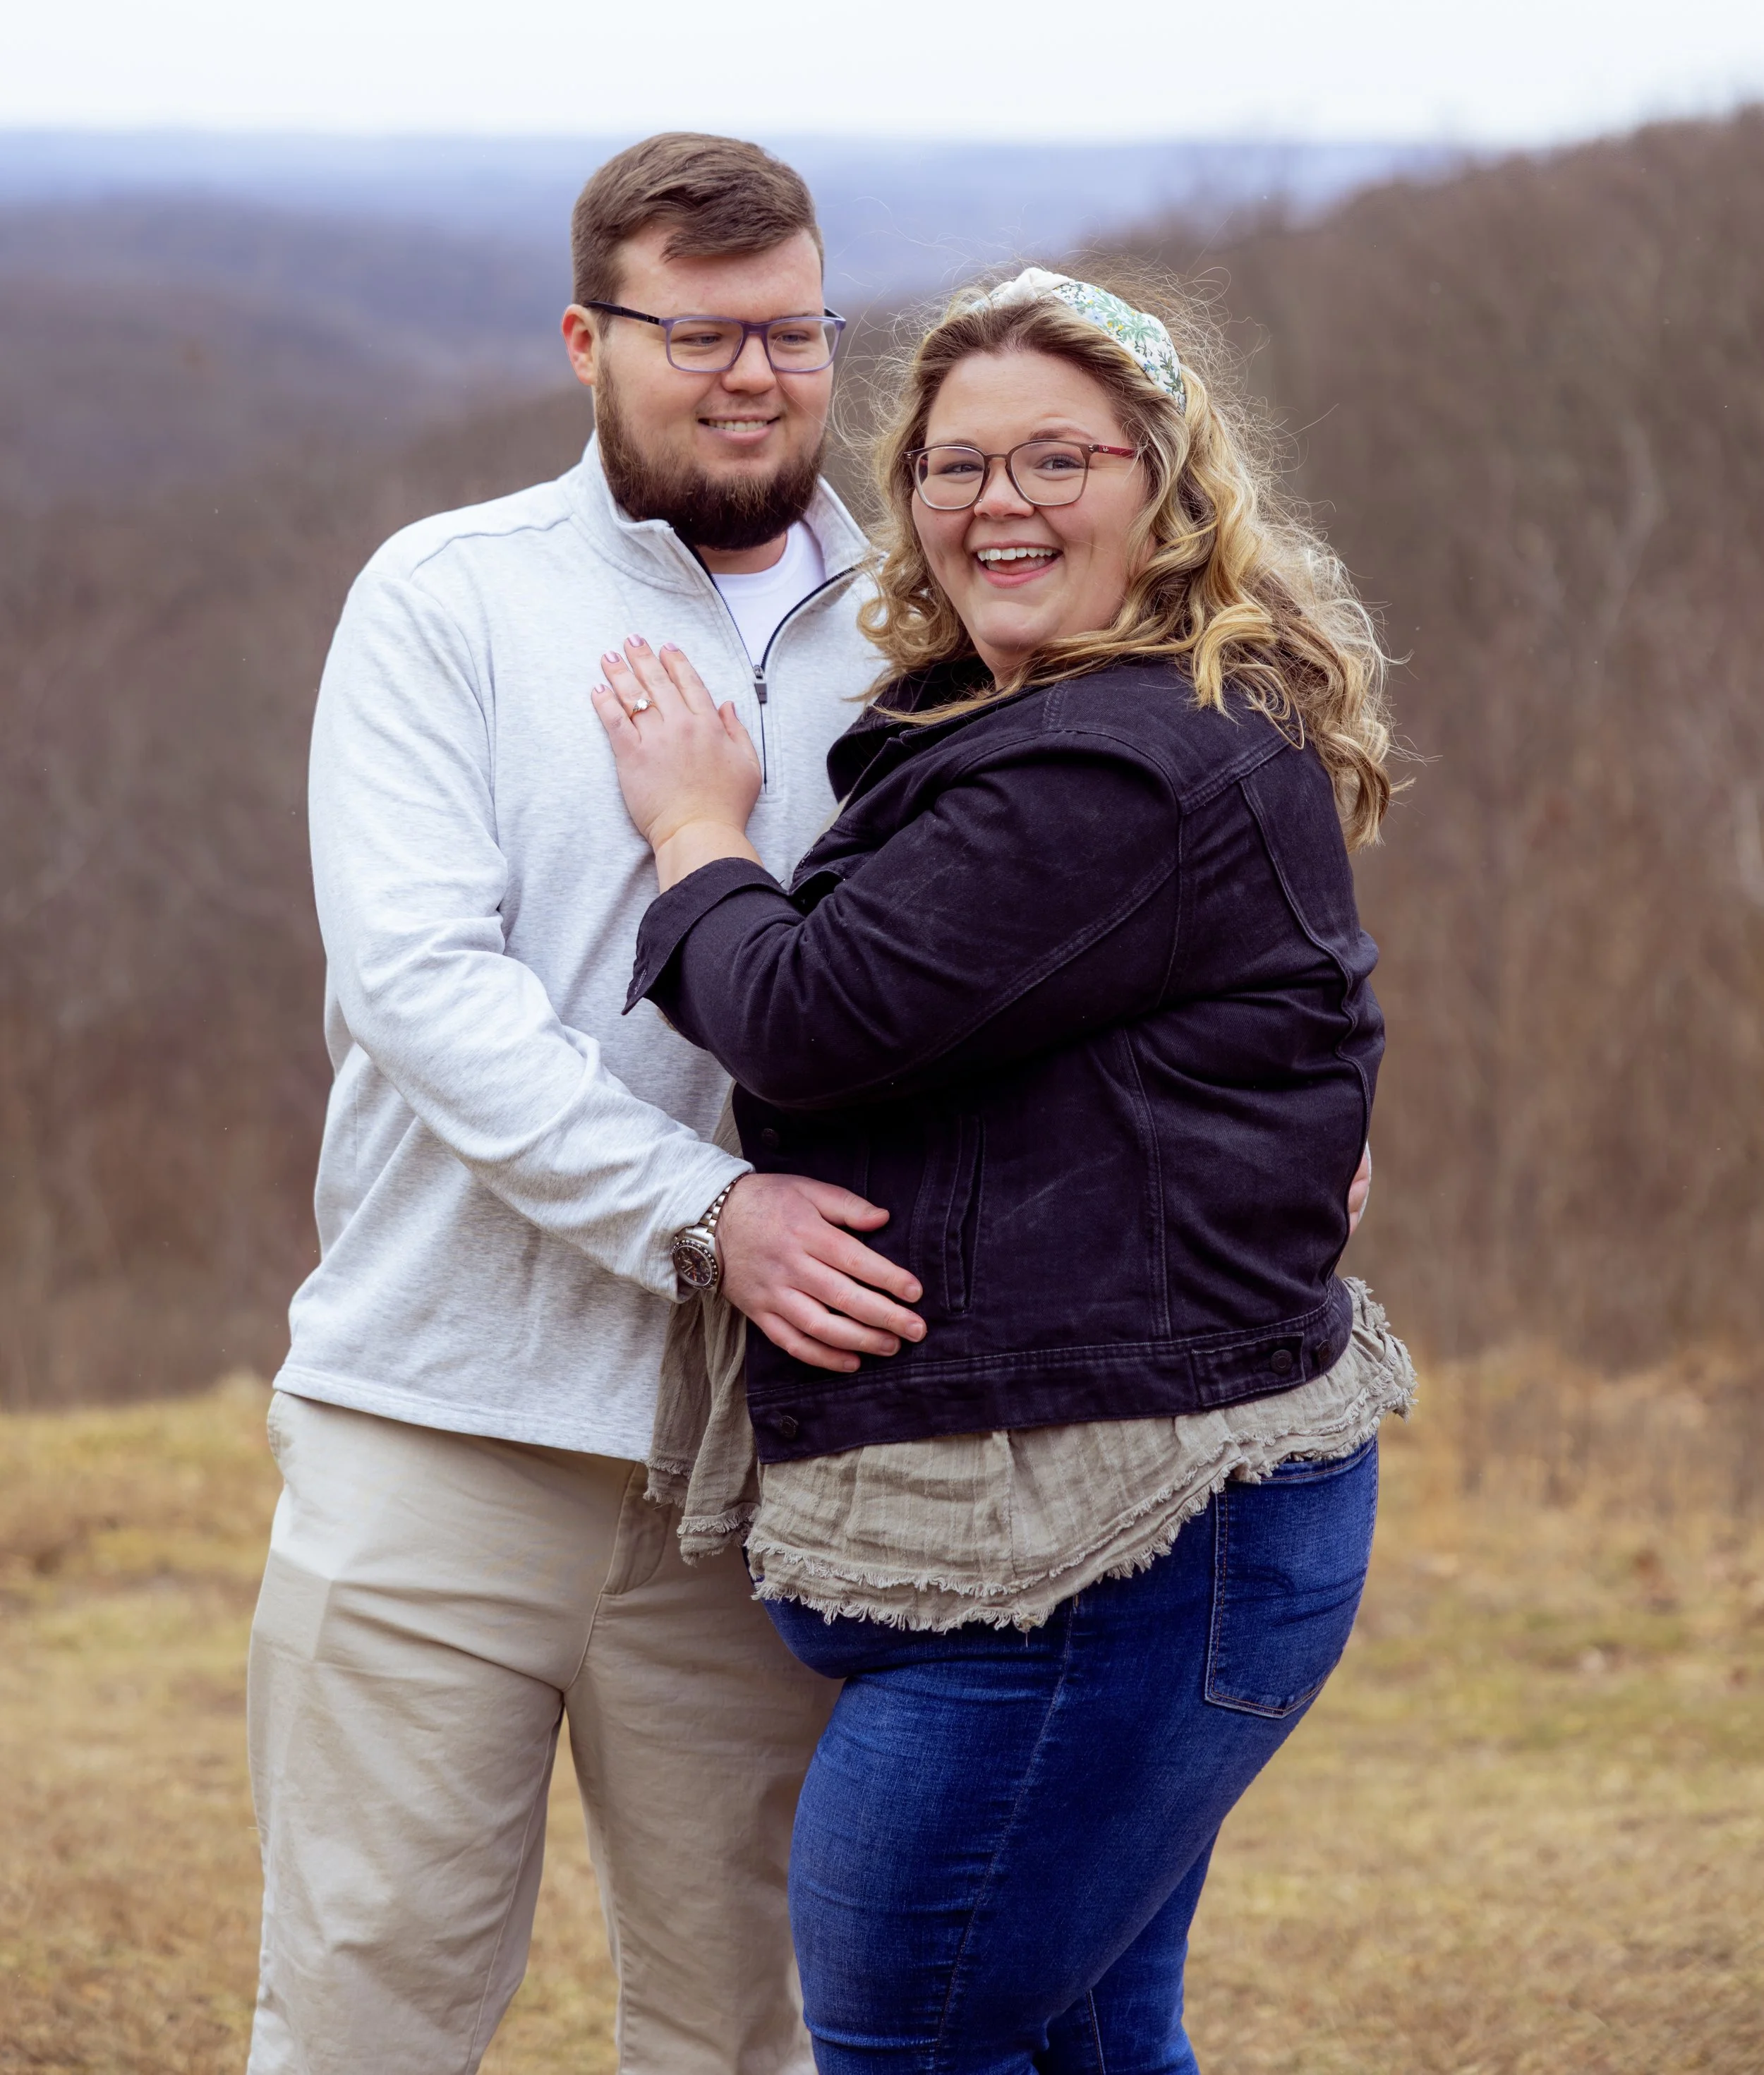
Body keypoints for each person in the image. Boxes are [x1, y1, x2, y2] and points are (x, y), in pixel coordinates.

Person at [592, 268, 1414, 2075]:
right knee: (1088, 2045)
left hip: (1098, 1557)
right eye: (957, 465)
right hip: (1088, 1528)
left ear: (1164, 484)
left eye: (1060, 457)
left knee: (913, 2041)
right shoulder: (1088, 719)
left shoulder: (1116, 760)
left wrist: (693, 831)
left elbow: (806, 1015)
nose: (999, 502)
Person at [245, 133, 928, 2075]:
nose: (752, 374)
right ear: (583, 338)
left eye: (792, 329)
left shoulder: (926, 630)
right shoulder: (442, 598)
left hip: (769, 1465)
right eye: (698, 333)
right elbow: (423, 989)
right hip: (436, 1421)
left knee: (744, 2025)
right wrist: (704, 1212)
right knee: (365, 2004)